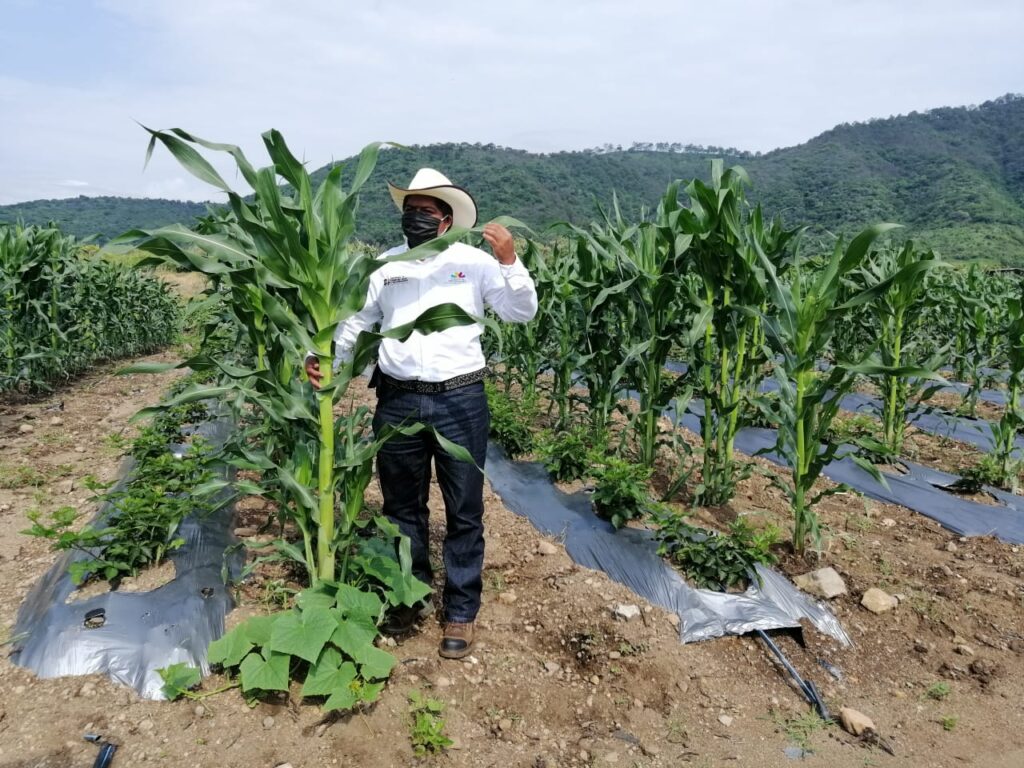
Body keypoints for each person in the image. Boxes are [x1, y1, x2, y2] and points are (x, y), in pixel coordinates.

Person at [306, 168, 537, 659]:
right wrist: (324, 361)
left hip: (460, 399)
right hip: (398, 398)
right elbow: (355, 324)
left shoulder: (473, 262)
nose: (414, 217)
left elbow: (520, 311)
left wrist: (510, 261)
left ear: (447, 219)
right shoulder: (384, 266)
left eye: (425, 211)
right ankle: (410, 594)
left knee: (464, 508)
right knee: (401, 506)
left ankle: (460, 608)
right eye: (410, 209)